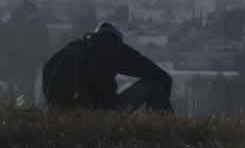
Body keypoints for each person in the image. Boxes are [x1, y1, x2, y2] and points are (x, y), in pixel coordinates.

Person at [39, 19, 173, 112]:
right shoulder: (115, 48)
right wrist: (167, 81)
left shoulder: (75, 47)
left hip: (78, 110)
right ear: (116, 37)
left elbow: (48, 69)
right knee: (155, 84)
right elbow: (149, 69)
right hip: (108, 110)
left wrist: (58, 107)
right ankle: (164, 125)